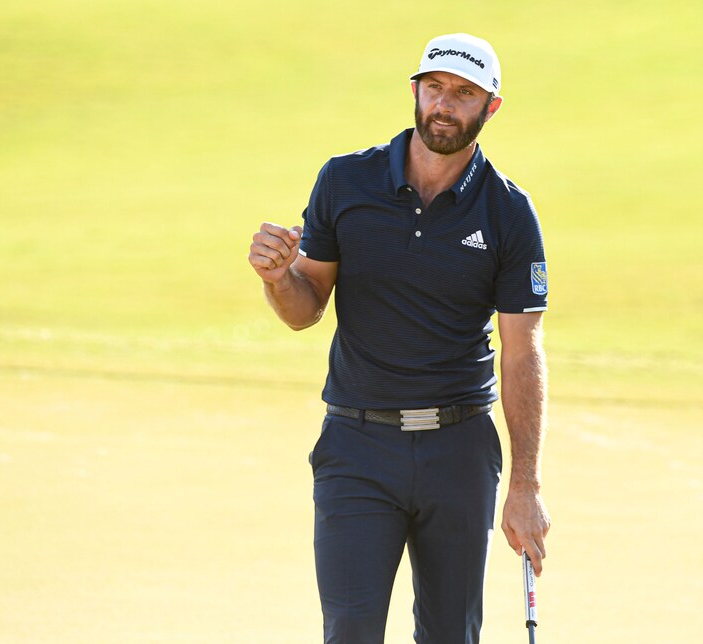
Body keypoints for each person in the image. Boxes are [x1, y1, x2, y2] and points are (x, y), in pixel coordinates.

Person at [247, 32, 551, 644]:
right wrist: (279, 278)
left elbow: (522, 351)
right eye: (434, 88)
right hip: (357, 447)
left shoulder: (508, 212)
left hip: (460, 450)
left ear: (490, 107)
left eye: (464, 94)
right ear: (415, 91)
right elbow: (304, 309)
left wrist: (525, 484)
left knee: (450, 634)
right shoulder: (344, 182)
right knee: (351, 631)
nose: (444, 105)